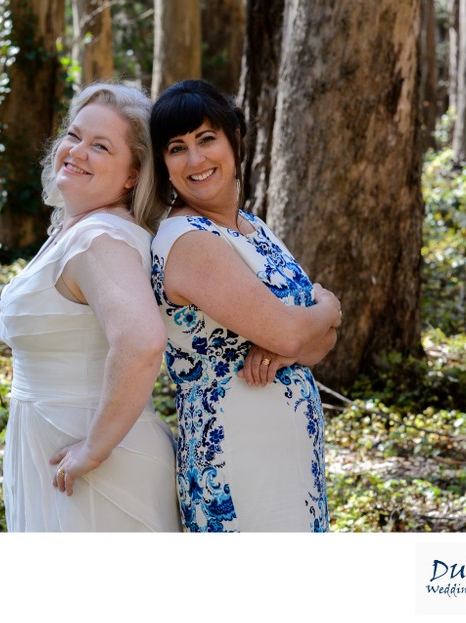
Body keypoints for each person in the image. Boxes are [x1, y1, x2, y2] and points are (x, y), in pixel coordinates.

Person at [148, 79, 342, 532]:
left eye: (206, 139)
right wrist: (328, 310)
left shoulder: (251, 227)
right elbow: (301, 330)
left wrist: (292, 346)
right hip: (236, 452)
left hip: (289, 451)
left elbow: (314, 347)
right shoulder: (190, 241)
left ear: (235, 141)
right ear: (163, 164)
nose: (195, 160)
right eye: (177, 148)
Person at [0, 82, 181, 532]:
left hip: (96, 468)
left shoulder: (100, 239)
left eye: (100, 146)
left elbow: (141, 340)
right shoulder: (81, 230)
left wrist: (95, 448)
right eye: (74, 136)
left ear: (132, 175)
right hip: (56, 448)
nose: (76, 151)